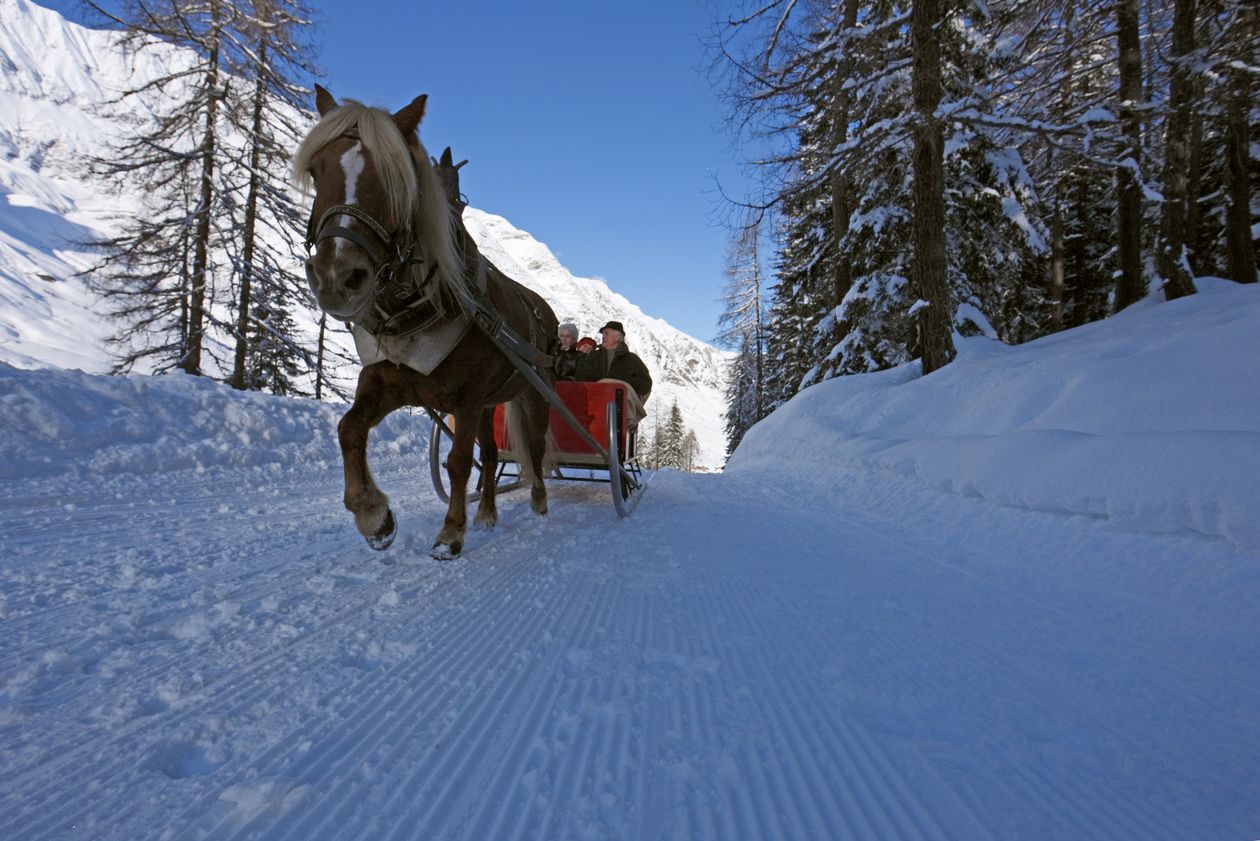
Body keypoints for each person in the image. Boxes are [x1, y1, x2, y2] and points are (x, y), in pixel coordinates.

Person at [576, 320, 652, 403]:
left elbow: (646, 384)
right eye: (603, 334)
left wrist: (621, 383)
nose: (603, 336)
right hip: (594, 402)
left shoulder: (632, 359)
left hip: (621, 407)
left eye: (606, 333)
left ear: (617, 337)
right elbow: (581, 377)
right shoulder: (593, 356)